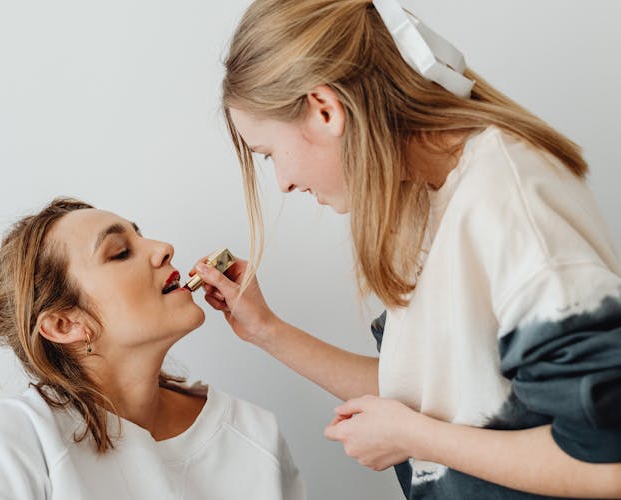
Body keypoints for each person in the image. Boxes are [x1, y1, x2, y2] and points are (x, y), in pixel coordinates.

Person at [189, 0, 621, 498]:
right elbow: (436, 392)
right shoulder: (422, 195)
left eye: (269, 155)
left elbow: (606, 460)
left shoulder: (509, 206)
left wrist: (416, 438)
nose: (283, 183)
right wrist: (268, 331)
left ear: (325, 110)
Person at [0, 198, 305, 500]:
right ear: (65, 324)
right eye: (119, 253)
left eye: (141, 236)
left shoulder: (256, 436)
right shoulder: (14, 439)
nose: (164, 249)